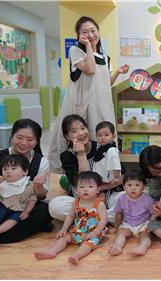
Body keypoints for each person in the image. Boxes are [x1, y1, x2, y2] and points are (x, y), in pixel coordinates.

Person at [48, 16, 130, 172]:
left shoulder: (106, 57)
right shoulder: (76, 51)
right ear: (79, 35)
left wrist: (118, 72)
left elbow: (106, 83)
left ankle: (102, 171)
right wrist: (87, 46)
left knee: (102, 137)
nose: (91, 35)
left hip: (101, 104)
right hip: (82, 104)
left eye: (93, 31)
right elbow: (90, 70)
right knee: (77, 138)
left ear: (98, 31)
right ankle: (74, 173)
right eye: (85, 32)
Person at [0, 119, 51, 243]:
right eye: (20, 137)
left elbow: (41, 195)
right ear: (12, 136)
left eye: (30, 139)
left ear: (37, 141)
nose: (24, 143)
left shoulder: (41, 162)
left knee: (45, 211)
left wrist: (38, 186)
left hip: (23, 206)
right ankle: (1, 235)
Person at [48, 115, 121, 224]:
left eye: (83, 128)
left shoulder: (103, 146)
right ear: (67, 136)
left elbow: (120, 175)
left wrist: (105, 188)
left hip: (107, 196)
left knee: (127, 199)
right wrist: (81, 156)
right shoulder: (66, 156)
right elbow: (83, 183)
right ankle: (104, 217)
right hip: (82, 201)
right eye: (74, 131)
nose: (81, 133)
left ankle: (88, 218)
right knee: (54, 206)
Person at [35, 171, 109, 264]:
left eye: (90, 187)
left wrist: (95, 232)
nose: (85, 190)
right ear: (76, 189)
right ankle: (52, 251)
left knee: (88, 244)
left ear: (98, 189)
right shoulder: (76, 202)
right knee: (64, 238)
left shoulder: (99, 204)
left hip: (94, 232)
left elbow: (104, 220)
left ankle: (77, 255)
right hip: (78, 230)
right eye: (81, 187)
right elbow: (70, 215)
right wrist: (64, 229)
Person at [0, 155, 38, 246]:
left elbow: (32, 200)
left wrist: (27, 211)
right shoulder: (2, 184)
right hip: (3, 206)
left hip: (19, 210)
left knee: (12, 222)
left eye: (13, 168)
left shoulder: (29, 185)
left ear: (25, 172)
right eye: (5, 169)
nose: (8, 171)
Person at [108, 169, 154, 257]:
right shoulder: (122, 198)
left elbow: (153, 214)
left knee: (145, 237)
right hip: (127, 224)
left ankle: (143, 247)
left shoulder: (147, 199)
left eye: (137, 185)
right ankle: (117, 247)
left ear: (143, 186)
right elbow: (119, 213)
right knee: (121, 234)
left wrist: (149, 226)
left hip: (143, 224)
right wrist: (118, 226)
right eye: (129, 185)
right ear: (124, 187)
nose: (133, 188)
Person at [93, 121, 123, 206]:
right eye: (99, 135)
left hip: (107, 181)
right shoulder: (101, 148)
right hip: (100, 180)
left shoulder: (111, 150)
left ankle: (101, 213)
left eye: (106, 135)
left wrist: (116, 177)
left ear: (113, 136)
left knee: (101, 199)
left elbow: (116, 165)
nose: (102, 138)